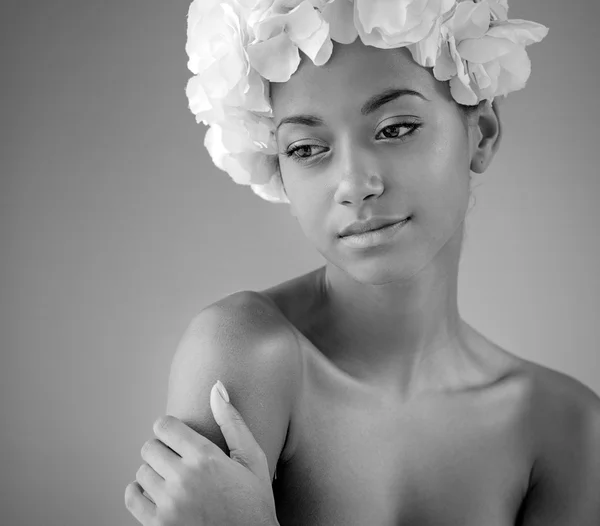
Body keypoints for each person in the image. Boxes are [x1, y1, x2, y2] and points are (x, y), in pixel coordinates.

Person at [126, 1, 600, 525]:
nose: (354, 186)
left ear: (481, 133)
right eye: (306, 148)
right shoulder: (245, 351)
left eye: (395, 128)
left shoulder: (566, 426)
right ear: (278, 170)